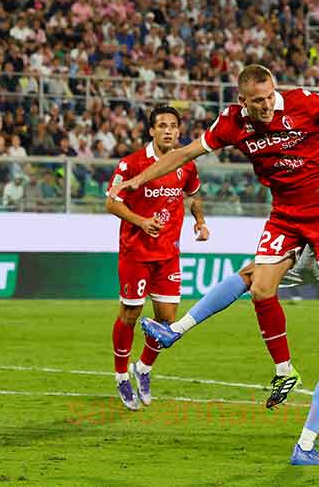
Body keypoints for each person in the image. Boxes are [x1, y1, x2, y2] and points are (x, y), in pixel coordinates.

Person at [141, 75, 319, 465]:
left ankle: (180, 329)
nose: (268, 105)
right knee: (308, 323)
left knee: (251, 278)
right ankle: (309, 427)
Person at [109, 64, 319, 423]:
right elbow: (183, 154)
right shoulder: (232, 122)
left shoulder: (301, 101)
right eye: (258, 101)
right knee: (259, 288)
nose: (267, 105)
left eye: (270, 97)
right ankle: (285, 371)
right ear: (242, 101)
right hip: (285, 211)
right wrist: (138, 180)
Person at [105, 106, 209, 411]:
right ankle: (121, 375)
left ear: (179, 131)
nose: (168, 130)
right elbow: (111, 202)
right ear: (151, 131)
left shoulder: (186, 163)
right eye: (162, 125)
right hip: (136, 253)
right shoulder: (132, 164)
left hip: (168, 255)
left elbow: (194, 195)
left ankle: (144, 368)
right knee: (130, 314)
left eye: (173, 126)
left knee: (167, 320)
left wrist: (200, 221)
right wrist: (140, 221)